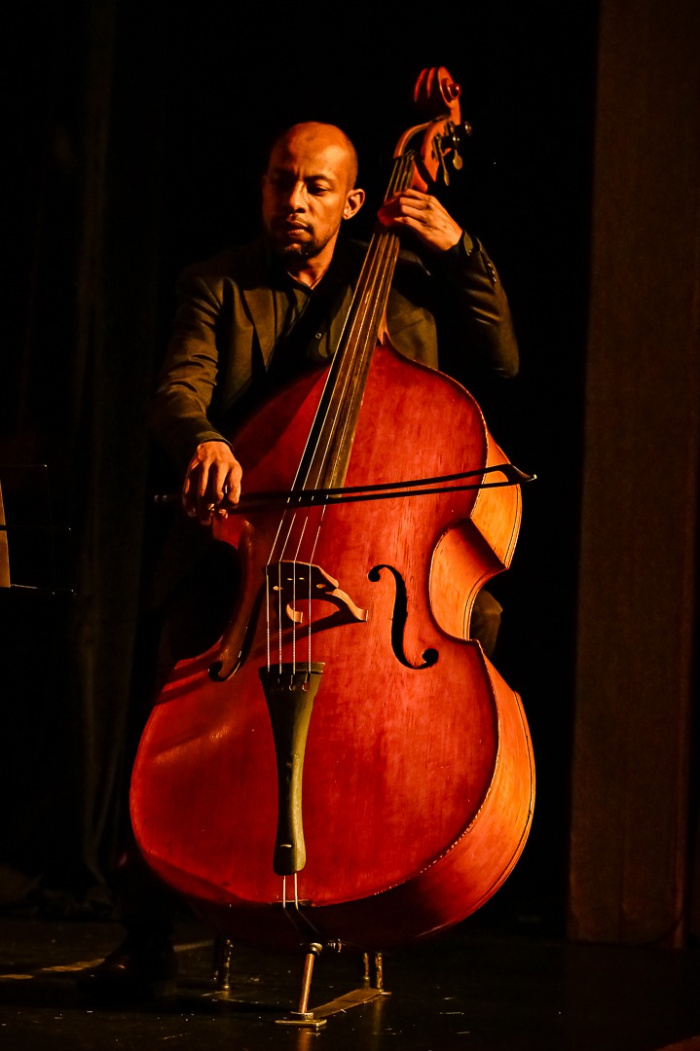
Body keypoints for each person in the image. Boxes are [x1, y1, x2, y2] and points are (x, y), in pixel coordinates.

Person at [78, 120, 519, 1000]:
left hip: (376, 564)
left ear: (354, 202)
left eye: (317, 188)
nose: (294, 201)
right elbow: (177, 391)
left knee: (478, 624)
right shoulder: (217, 283)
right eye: (282, 182)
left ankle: (385, 835)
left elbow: (501, 358)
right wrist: (205, 440)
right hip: (248, 542)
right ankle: (147, 926)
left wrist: (459, 249)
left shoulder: (401, 284)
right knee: (175, 654)